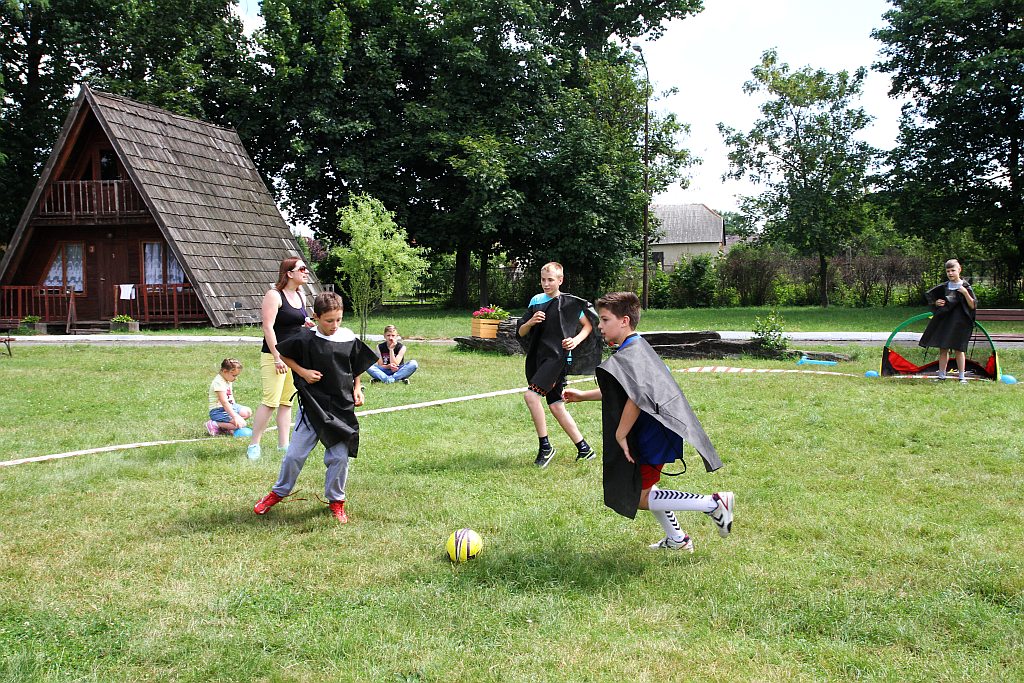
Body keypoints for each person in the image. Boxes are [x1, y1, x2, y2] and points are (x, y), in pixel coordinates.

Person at [564, 291, 734, 553]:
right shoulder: (636, 347)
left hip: (650, 435)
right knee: (648, 488)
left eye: (605, 320)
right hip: (654, 431)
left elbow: (637, 395)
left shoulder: (632, 354)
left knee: (643, 497)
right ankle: (678, 540)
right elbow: (625, 390)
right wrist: (584, 396)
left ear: (624, 321)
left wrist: (621, 434)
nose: (600, 326)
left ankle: (712, 503)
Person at [253, 292, 378, 523]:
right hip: (313, 406)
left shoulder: (347, 337)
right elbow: (282, 352)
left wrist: (357, 388)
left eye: (338, 319)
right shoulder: (305, 338)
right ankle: (278, 493)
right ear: (316, 317)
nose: (334, 325)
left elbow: (356, 364)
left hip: (341, 408)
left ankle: (336, 501)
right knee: (294, 455)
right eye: (329, 320)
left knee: (339, 458)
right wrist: (302, 372)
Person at [516, 262, 600, 467]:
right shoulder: (535, 301)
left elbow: (588, 326)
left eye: (550, 280)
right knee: (556, 405)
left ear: (560, 280)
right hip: (538, 358)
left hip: (557, 359)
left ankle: (546, 447)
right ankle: (584, 449)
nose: (546, 283)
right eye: (543, 279)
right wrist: (530, 322)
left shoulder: (569, 303)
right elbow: (520, 332)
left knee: (531, 396)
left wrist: (575, 341)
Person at [247, 257, 315, 460]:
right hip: (274, 356)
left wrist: (307, 324)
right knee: (270, 401)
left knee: (287, 402)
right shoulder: (274, 295)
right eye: (301, 269)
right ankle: (254, 444)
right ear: (289, 273)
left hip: (295, 357)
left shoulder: (300, 294)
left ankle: (283, 446)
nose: (306, 272)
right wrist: (277, 356)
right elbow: (268, 326)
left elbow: (296, 322)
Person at [919, 259, 977, 383]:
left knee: (959, 349)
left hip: (960, 323)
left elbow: (973, 305)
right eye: (948, 271)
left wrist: (965, 293)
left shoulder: (965, 286)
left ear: (959, 270)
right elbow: (931, 297)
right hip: (945, 322)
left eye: (953, 270)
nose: (950, 273)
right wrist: (936, 302)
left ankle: (962, 377)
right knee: (943, 348)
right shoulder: (944, 287)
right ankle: (941, 375)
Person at [206, 358, 252, 436]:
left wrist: (235, 413)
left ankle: (225, 427)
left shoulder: (227, 379)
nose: (236, 378)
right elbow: (224, 402)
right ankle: (214, 424)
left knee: (247, 412)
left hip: (229, 407)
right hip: (218, 411)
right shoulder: (218, 382)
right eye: (234, 375)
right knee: (242, 424)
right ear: (225, 371)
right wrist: (235, 416)